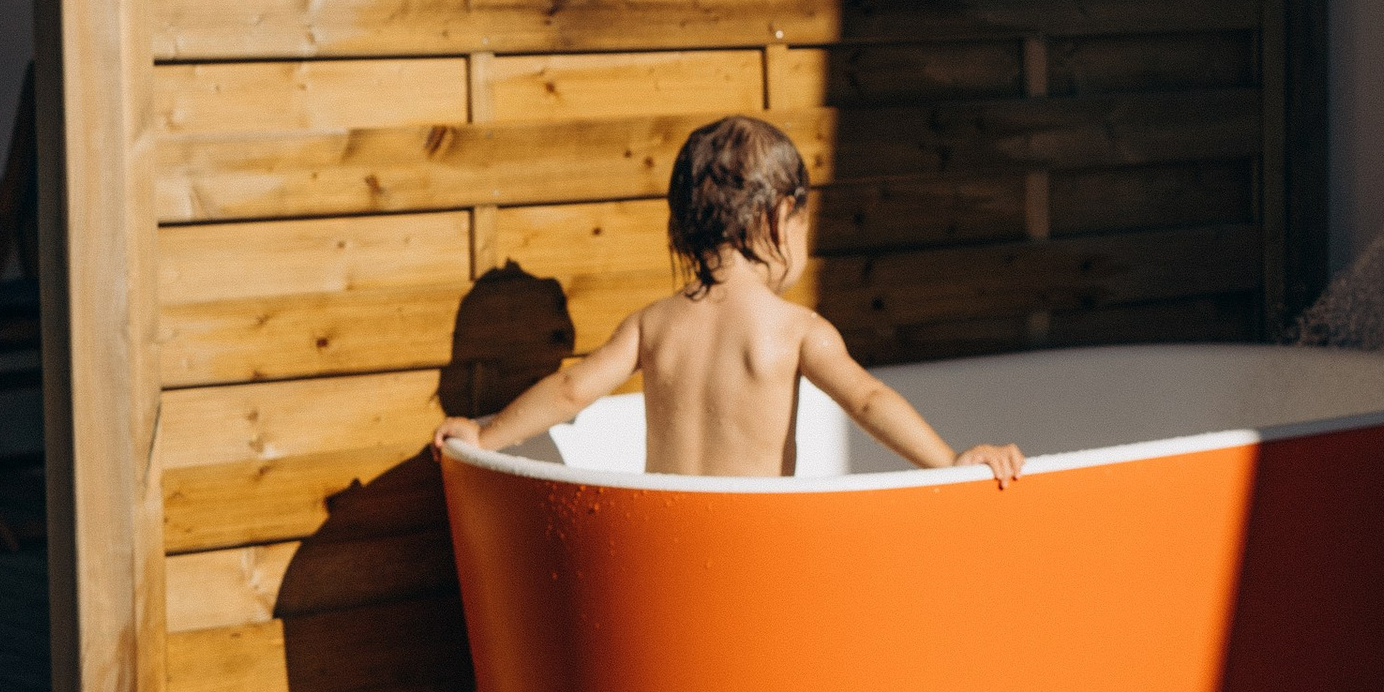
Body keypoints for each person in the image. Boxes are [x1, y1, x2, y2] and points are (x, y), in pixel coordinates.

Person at [438, 113, 1025, 486]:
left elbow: (571, 390)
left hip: (666, 535)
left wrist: (484, 438)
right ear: (779, 215)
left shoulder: (651, 325)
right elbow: (867, 400)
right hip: (753, 540)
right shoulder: (797, 331)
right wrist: (950, 464)